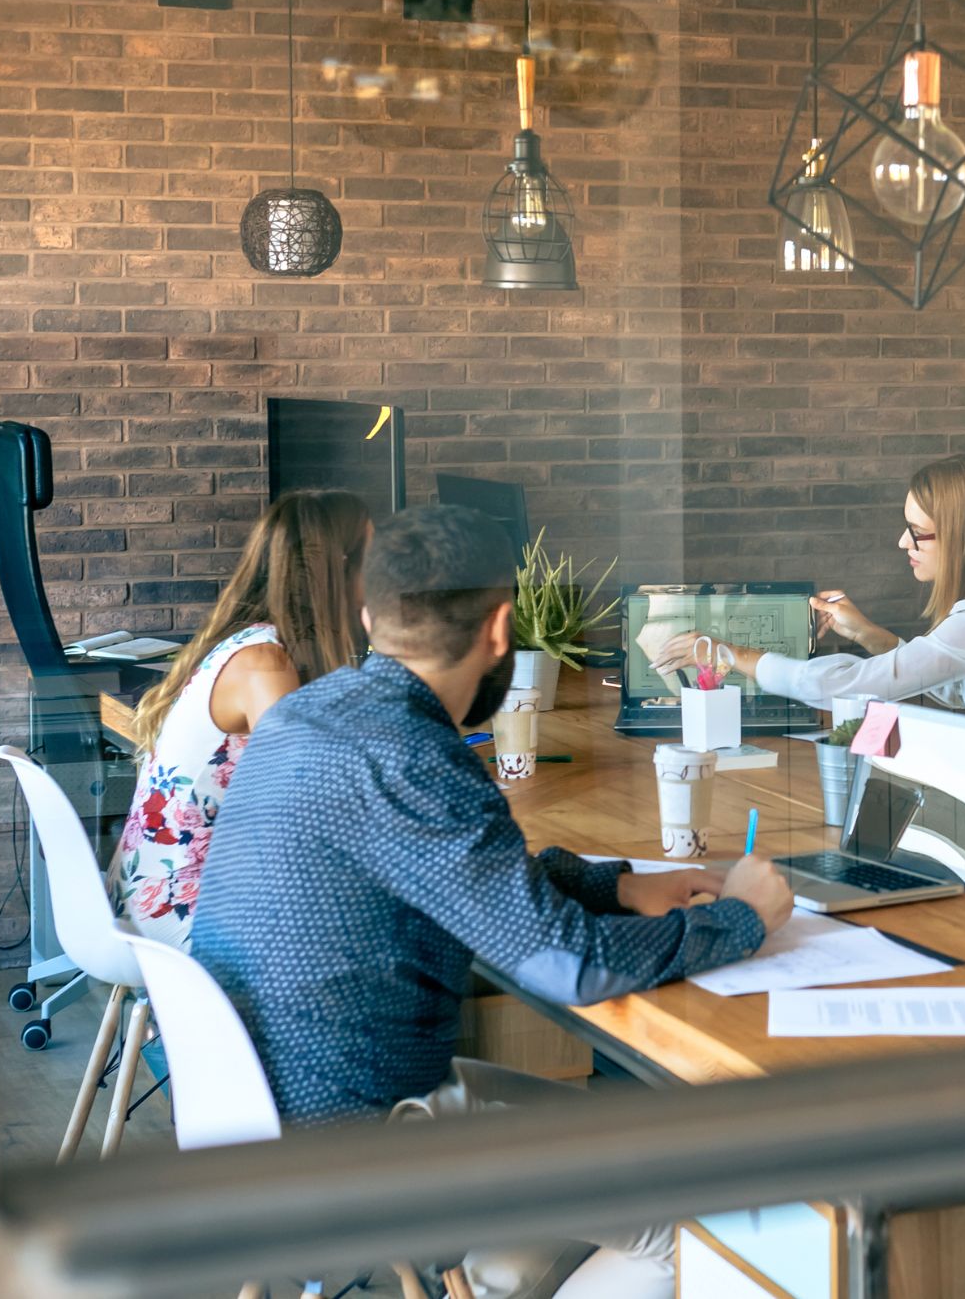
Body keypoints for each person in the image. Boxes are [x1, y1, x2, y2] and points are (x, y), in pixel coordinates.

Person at [192, 505, 794, 1295]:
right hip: (368, 1130)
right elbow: (569, 966)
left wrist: (614, 883)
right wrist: (740, 915)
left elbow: (450, 871)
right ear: (502, 627)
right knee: (708, 1216)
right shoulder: (414, 755)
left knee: (602, 1167)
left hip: (261, 1103)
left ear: (371, 614)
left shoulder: (313, 710)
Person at [653, 454, 965, 744]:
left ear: (962, 537)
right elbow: (951, 687)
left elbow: (847, 687)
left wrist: (730, 655)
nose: (903, 543)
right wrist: (868, 634)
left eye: (917, 533)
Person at [108, 489, 372, 948]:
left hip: (158, 890)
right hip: (182, 908)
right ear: (339, 570)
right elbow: (306, 804)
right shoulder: (263, 665)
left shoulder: (251, 643)